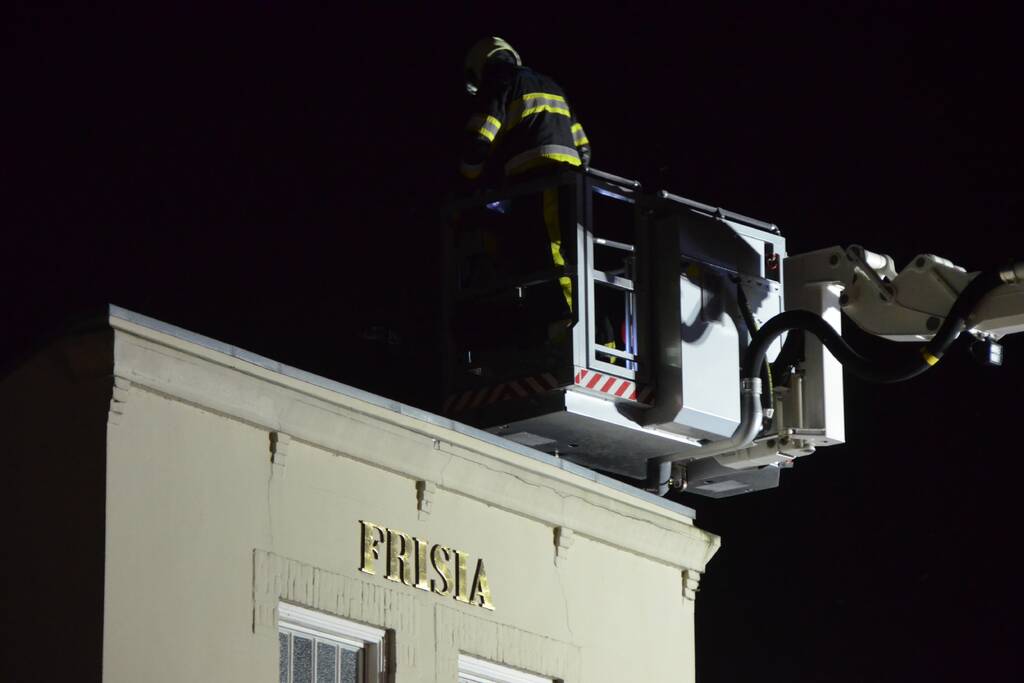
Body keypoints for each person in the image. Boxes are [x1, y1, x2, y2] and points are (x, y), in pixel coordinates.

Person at [458, 37, 591, 321]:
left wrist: (467, 179)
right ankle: (591, 329)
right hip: (573, 183)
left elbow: (482, 136)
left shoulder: (500, 81)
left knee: (548, 253)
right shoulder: (552, 84)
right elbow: (584, 147)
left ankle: (567, 322)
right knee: (574, 253)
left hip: (538, 180)